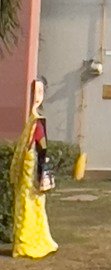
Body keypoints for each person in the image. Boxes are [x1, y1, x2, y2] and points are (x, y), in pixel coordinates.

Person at [10, 76, 58, 260]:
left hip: (31, 174)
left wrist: (42, 173)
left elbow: (42, 147)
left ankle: (29, 242)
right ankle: (25, 242)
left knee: (31, 206)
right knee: (27, 206)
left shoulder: (36, 122)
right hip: (26, 174)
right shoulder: (33, 121)